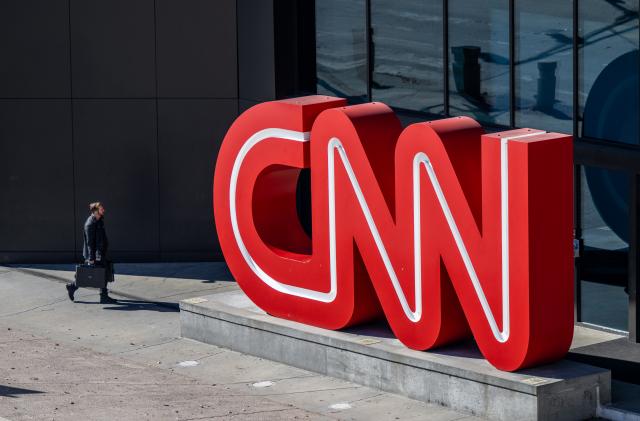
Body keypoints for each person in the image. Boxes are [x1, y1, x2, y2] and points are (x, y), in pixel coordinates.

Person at [66, 202, 116, 303]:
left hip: (100, 252)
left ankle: (103, 296)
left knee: (103, 273)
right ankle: (72, 286)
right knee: (91, 274)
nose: (103, 210)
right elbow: (89, 243)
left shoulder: (99, 220)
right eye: (101, 209)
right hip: (94, 255)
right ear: (95, 211)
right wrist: (92, 258)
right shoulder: (90, 224)